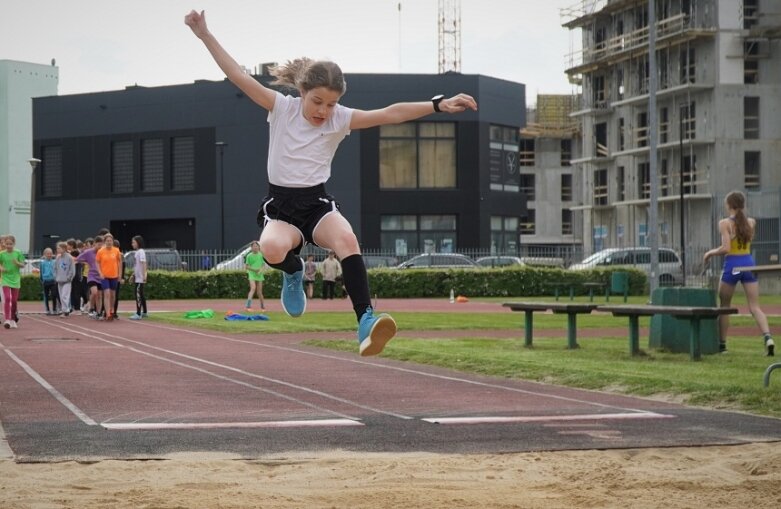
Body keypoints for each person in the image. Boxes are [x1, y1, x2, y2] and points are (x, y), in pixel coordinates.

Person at [185, 10, 477, 356]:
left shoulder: (339, 119)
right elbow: (236, 74)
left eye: (331, 103)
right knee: (272, 249)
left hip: (317, 203)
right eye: (317, 101)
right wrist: (204, 34)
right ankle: (293, 272)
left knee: (347, 238)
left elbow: (389, 113)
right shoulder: (281, 108)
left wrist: (438, 105)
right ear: (302, 91)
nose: (324, 111)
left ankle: (365, 321)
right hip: (281, 207)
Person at [704, 190, 774, 356]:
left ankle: (722, 346)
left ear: (729, 205)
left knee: (725, 306)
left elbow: (727, 248)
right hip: (749, 264)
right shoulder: (751, 222)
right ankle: (768, 338)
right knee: (755, 307)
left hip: (733, 265)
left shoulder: (725, 223)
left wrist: (710, 253)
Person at [0, 234, 25, 329]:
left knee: (14, 301)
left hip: (15, 279)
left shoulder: (18, 253)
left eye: (10, 244)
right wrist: (1, 268)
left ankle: (13, 319)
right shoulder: (2, 254)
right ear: (4, 244)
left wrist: (17, 263)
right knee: (7, 298)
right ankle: (7, 319)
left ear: (14, 244)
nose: (8, 246)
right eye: (7, 244)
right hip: (5, 279)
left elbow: (23, 265)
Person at [95, 233, 122, 321]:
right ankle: (107, 313)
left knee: (113, 295)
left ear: (112, 241)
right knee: (106, 293)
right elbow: (97, 262)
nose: (109, 242)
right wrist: (100, 273)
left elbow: (120, 263)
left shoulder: (116, 250)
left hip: (114, 275)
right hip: (104, 276)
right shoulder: (101, 251)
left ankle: (111, 310)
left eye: (110, 241)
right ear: (105, 241)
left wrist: (120, 275)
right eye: (107, 241)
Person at [77, 235, 104, 319]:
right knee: (95, 292)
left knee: (99, 295)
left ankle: (99, 312)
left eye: (101, 245)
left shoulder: (103, 252)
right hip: (92, 276)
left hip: (100, 276)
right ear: (94, 244)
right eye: (98, 244)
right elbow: (78, 258)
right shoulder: (88, 252)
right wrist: (86, 262)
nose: (100, 247)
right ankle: (91, 308)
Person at [54, 241, 76, 317]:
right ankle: (65, 309)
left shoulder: (69, 257)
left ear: (63, 248)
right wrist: (56, 276)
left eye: (59, 248)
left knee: (64, 295)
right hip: (59, 280)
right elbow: (55, 268)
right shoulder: (58, 258)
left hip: (67, 280)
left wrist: (69, 277)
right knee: (61, 296)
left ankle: (65, 310)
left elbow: (72, 269)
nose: (57, 249)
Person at [129, 235, 148, 320]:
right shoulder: (137, 252)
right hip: (137, 278)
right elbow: (137, 266)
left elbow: (144, 263)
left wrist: (144, 276)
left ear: (138, 243)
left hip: (140, 279)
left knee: (138, 295)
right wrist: (133, 275)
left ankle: (138, 313)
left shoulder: (141, 252)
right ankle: (144, 312)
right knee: (141, 295)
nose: (132, 244)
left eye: (133, 242)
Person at [244, 240, 266, 312]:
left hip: (259, 275)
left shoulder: (261, 255)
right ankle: (248, 306)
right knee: (253, 288)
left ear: (259, 247)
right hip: (252, 274)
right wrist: (254, 270)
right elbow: (246, 267)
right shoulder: (249, 256)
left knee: (259, 292)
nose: (255, 247)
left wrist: (260, 271)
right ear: (251, 248)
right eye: (253, 246)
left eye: (256, 246)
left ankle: (263, 307)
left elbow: (263, 265)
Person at [39, 247, 59, 315]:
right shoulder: (42, 263)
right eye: (48, 254)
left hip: (53, 280)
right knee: (46, 296)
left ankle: (54, 309)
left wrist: (56, 278)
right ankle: (47, 309)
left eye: (50, 253)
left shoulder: (54, 262)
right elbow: (41, 272)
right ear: (44, 254)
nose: (49, 255)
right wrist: (42, 280)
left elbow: (57, 270)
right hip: (46, 281)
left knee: (54, 295)